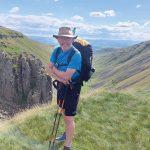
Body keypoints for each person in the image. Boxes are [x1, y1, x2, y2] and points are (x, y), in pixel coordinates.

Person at [48, 27, 82, 150]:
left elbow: (67, 75)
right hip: (62, 85)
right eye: (62, 38)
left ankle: (68, 146)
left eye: (68, 39)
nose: (65, 41)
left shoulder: (76, 55)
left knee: (69, 117)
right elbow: (49, 68)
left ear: (72, 40)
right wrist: (61, 78)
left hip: (73, 87)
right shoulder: (56, 51)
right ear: (58, 39)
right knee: (62, 111)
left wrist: (55, 71)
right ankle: (66, 133)